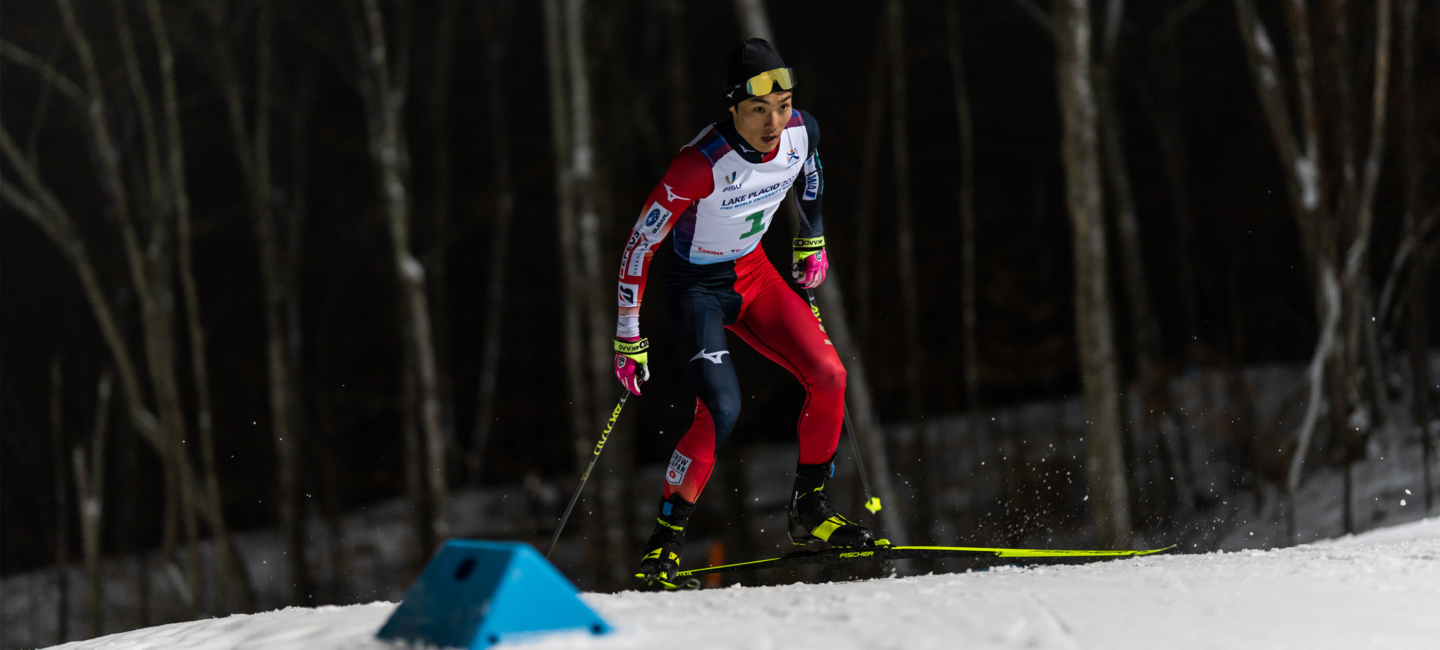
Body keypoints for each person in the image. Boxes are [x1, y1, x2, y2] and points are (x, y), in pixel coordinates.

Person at [612, 38, 874, 587]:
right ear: (733, 107)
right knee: (722, 408)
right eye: (758, 109)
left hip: (754, 275)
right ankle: (664, 542)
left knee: (830, 376)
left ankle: (809, 511)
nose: (774, 122)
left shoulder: (802, 131)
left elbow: (811, 175)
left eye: (782, 106)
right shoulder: (699, 164)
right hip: (696, 287)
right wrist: (628, 334)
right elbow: (640, 243)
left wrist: (812, 239)